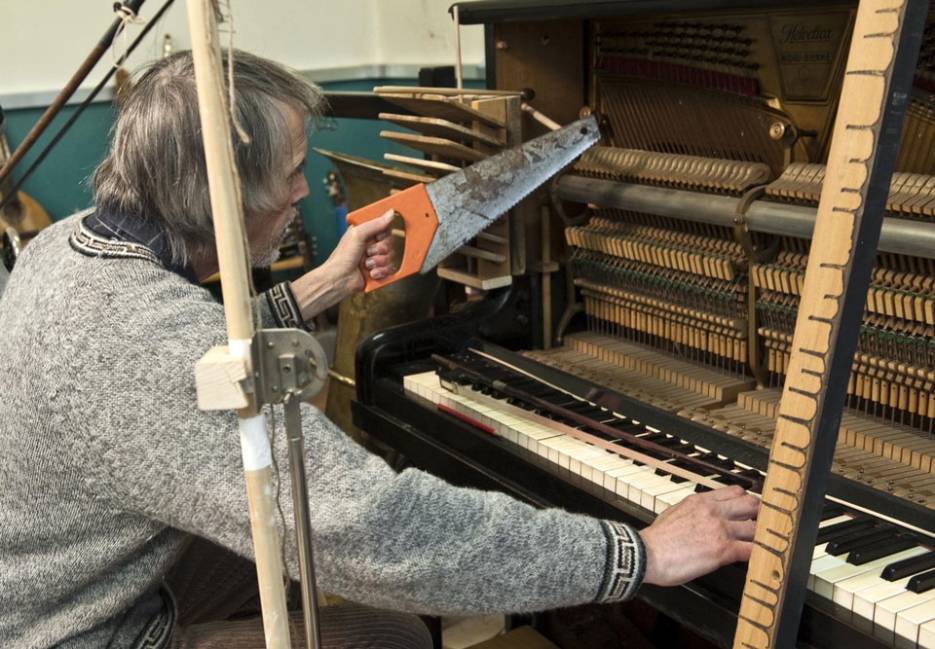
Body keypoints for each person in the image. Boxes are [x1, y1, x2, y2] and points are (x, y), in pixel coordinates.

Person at [0, 50, 759, 649]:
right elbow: (368, 523)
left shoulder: (71, 245)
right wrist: (635, 553)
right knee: (384, 630)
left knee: (271, 539)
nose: (302, 192)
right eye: (291, 170)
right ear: (223, 193)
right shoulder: (136, 343)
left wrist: (319, 288)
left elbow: (185, 347)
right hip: (75, 631)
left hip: (52, 582)